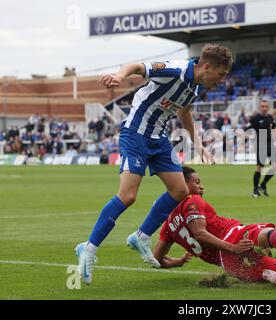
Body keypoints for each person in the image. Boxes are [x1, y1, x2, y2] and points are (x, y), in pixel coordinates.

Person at [75, 44, 233, 284]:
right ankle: (88, 248)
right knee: (128, 196)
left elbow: (184, 112)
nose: (222, 80)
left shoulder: (197, 86)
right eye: (221, 74)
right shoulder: (175, 70)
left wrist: (198, 143)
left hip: (159, 139)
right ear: (207, 66)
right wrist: (119, 76)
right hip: (136, 134)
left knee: (180, 190)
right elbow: (137, 66)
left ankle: (141, 237)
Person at [152, 166, 276, 286]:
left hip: (228, 264)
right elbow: (200, 233)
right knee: (263, 233)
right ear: (182, 185)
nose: (201, 186)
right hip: (232, 239)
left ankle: (269, 274)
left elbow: (156, 259)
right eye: (196, 182)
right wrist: (233, 247)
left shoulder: (168, 225)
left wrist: (179, 262)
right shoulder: (192, 200)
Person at [245, 100, 276, 197]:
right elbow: (246, 130)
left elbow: (274, 127)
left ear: (268, 108)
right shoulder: (255, 119)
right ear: (260, 107)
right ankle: (255, 190)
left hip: (270, 144)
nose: (264, 108)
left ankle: (263, 185)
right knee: (260, 167)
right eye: (262, 106)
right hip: (260, 144)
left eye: (266, 106)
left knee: (275, 167)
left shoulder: (270, 117)